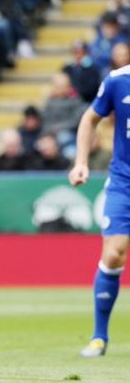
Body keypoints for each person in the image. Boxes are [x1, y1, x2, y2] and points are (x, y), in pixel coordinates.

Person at [68, 63, 130, 358]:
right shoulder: (119, 81)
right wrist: (81, 162)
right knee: (114, 253)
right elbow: (89, 119)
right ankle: (99, 336)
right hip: (124, 182)